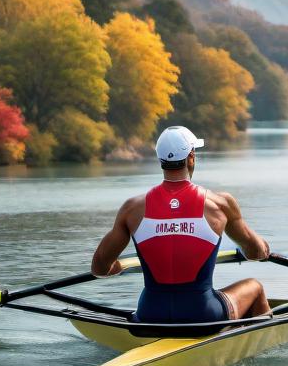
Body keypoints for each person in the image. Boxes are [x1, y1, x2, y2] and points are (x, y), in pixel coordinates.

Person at [91, 125, 272, 323]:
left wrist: (116, 266)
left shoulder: (132, 209)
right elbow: (255, 252)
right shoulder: (220, 204)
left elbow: (99, 268)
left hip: (150, 314)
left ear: (160, 160)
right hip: (203, 313)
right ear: (191, 156)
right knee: (254, 287)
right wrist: (262, 247)